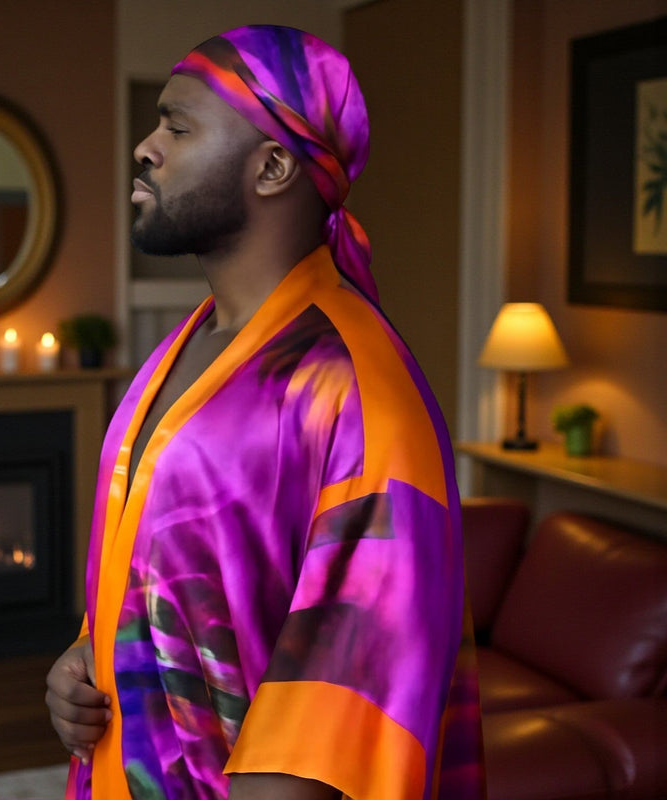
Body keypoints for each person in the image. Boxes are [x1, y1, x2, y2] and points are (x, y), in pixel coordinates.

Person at [46, 25, 485, 800]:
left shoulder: (356, 388)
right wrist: (89, 655)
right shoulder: (184, 347)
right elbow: (166, 568)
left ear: (273, 166)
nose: (145, 148)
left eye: (178, 127)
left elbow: (348, 698)